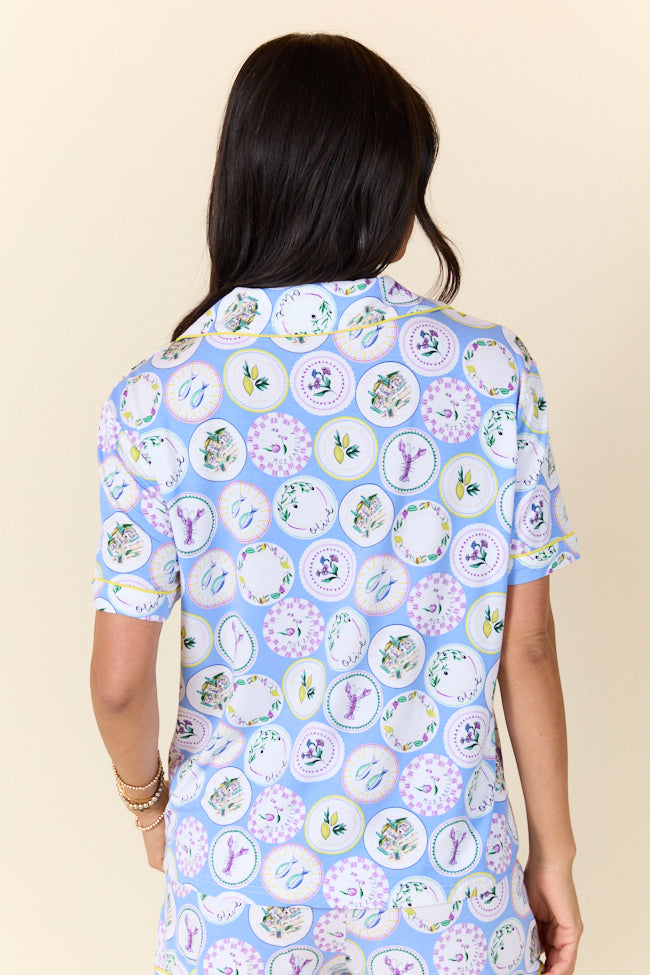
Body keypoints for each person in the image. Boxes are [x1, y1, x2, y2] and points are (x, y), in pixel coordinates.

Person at [90, 32, 583, 975]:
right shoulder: (492, 371)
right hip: (446, 882)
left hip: (237, 883)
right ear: (383, 189)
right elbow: (527, 648)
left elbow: (118, 682)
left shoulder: (156, 400)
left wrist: (149, 807)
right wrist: (553, 854)